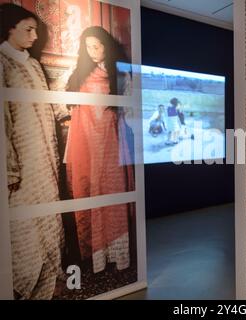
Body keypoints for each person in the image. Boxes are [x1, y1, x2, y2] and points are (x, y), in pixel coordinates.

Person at [0, 3, 68, 299]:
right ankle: (23, 285)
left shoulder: (33, 64)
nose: (34, 35)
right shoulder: (2, 62)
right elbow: (2, 118)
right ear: (9, 29)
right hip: (22, 164)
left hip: (45, 157)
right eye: (28, 29)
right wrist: (10, 167)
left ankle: (48, 282)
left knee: (47, 218)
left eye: (36, 29)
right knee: (24, 226)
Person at [65, 26, 134, 274]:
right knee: (90, 195)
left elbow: (129, 112)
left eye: (99, 45)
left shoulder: (120, 75)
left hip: (112, 144)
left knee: (113, 197)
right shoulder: (79, 76)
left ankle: (118, 256)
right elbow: (74, 112)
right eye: (89, 46)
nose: (94, 51)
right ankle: (97, 257)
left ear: (107, 45)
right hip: (87, 147)